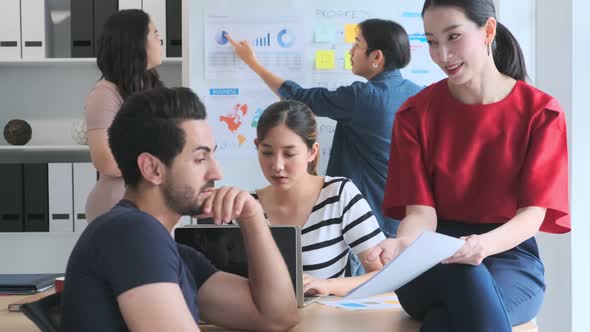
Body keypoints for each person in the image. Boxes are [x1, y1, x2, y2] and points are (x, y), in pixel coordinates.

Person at [366, 1, 570, 331]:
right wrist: (401, 245)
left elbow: (532, 215)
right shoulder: (415, 114)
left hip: (509, 260)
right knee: (463, 275)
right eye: (432, 41)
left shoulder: (541, 112)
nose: (442, 55)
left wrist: (480, 246)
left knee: (446, 319)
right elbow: (421, 214)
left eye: (454, 37)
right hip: (430, 264)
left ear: (488, 31)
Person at [61, 87, 299, 331]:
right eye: (200, 159)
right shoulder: (132, 233)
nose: (217, 173)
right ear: (152, 169)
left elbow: (277, 318)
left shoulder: (171, 251)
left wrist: (253, 217)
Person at [227, 19, 422, 238]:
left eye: (357, 44)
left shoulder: (362, 97)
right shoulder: (420, 95)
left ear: (376, 57)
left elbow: (298, 97)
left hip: (364, 222)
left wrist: (252, 62)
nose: (350, 52)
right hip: (406, 221)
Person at [251, 99, 385, 296]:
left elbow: (384, 275)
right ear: (257, 147)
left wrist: (328, 286)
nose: (277, 165)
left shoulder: (338, 194)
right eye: (267, 152)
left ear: (312, 152)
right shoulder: (248, 206)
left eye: (289, 154)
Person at [85, 9, 164, 222]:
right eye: (155, 34)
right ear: (135, 43)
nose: (161, 40)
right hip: (117, 204)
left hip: (151, 203)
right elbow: (106, 161)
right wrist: (161, 166)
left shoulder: (149, 88)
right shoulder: (105, 93)